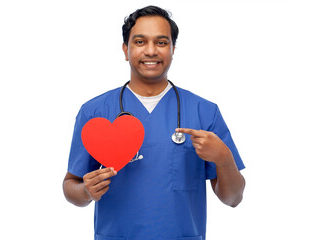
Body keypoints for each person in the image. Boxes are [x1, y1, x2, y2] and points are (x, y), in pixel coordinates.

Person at [63, 5, 245, 240]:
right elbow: (71, 186)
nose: (151, 51)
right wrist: (86, 191)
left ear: (173, 49)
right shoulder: (95, 111)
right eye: (140, 42)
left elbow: (233, 199)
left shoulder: (204, 112)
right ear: (125, 50)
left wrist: (223, 158)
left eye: (161, 42)